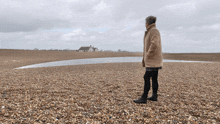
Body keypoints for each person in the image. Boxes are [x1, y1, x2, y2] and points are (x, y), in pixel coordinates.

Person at [133, 16, 163, 104]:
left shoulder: (153, 31)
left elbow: (154, 44)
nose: (145, 24)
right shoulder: (151, 30)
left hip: (153, 60)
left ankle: (144, 97)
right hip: (153, 59)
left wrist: (148, 55)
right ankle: (154, 96)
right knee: (154, 78)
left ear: (148, 23)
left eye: (145, 22)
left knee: (146, 77)